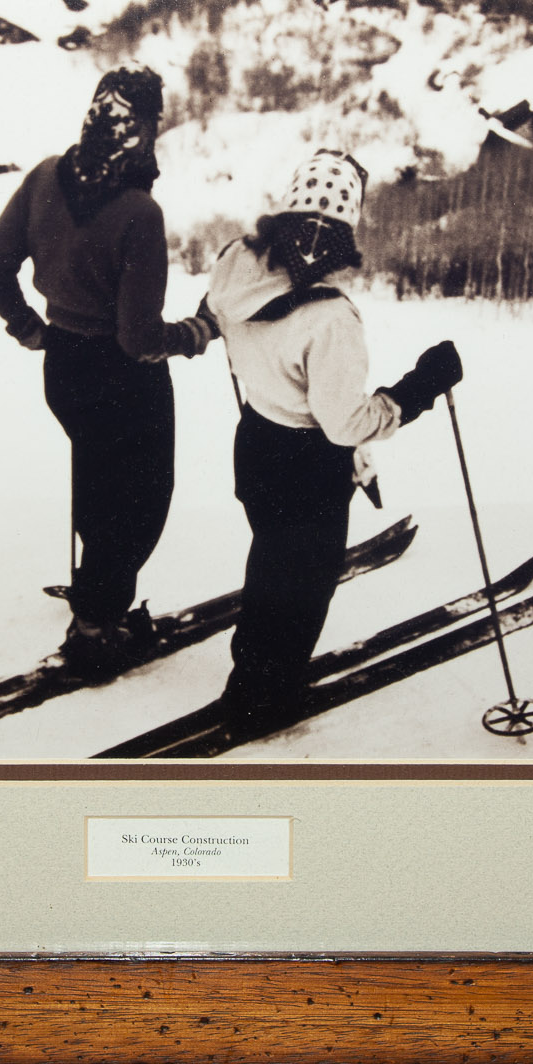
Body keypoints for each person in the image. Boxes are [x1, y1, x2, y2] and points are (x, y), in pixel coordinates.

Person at [204, 149, 463, 734]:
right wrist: (418, 388)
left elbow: (218, 313)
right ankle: (267, 694)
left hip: (256, 441)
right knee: (304, 583)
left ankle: (249, 676)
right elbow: (344, 423)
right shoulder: (331, 318)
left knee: (271, 562)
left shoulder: (234, 265)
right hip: (308, 463)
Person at [0, 67, 213, 680]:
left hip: (65, 367)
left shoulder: (45, 177)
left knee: (97, 485)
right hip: (125, 377)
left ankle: (96, 602)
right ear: (144, 132)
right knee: (141, 503)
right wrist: (195, 334)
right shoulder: (139, 212)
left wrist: (29, 328)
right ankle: (97, 627)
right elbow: (138, 338)